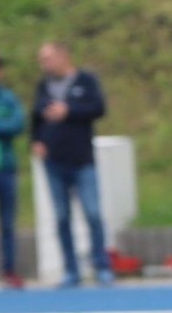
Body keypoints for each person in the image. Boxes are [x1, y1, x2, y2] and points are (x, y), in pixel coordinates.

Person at [31, 41, 113, 288]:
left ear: (63, 56)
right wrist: (36, 141)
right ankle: (71, 270)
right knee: (61, 217)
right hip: (54, 161)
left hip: (82, 158)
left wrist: (69, 111)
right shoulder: (44, 86)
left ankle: (101, 266)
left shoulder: (85, 81)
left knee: (93, 213)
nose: (44, 64)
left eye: (48, 58)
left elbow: (98, 108)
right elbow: (35, 117)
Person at [0, 50, 26, 289]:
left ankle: (10, 269)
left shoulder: (7, 98)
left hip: (4, 168)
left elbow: (17, 124)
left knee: (7, 223)